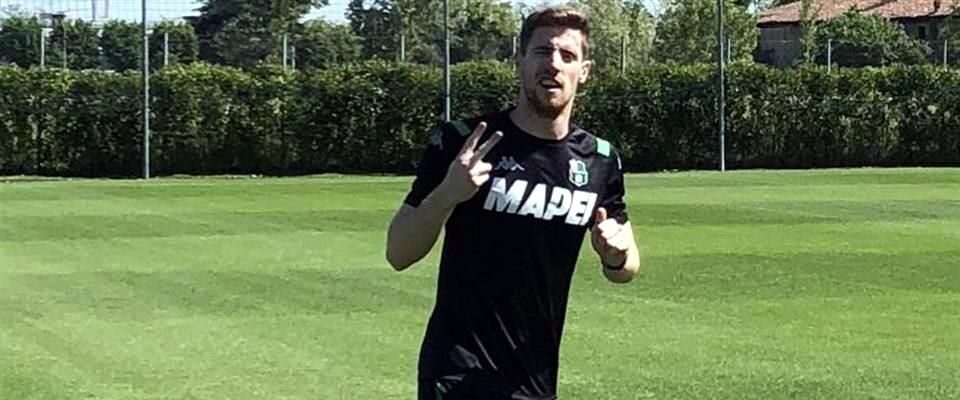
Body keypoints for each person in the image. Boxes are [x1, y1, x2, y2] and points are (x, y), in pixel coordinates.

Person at [386, 5, 641, 400]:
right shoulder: (462, 142)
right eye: (542, 51)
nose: (553, 64)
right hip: (455, 376)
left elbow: (627, 266)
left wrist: (616, 255)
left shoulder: (600, 159)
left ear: (584, 71)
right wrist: (448, 193)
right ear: (519, 61)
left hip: (535, 382)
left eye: (567, 55)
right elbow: (398, 252)